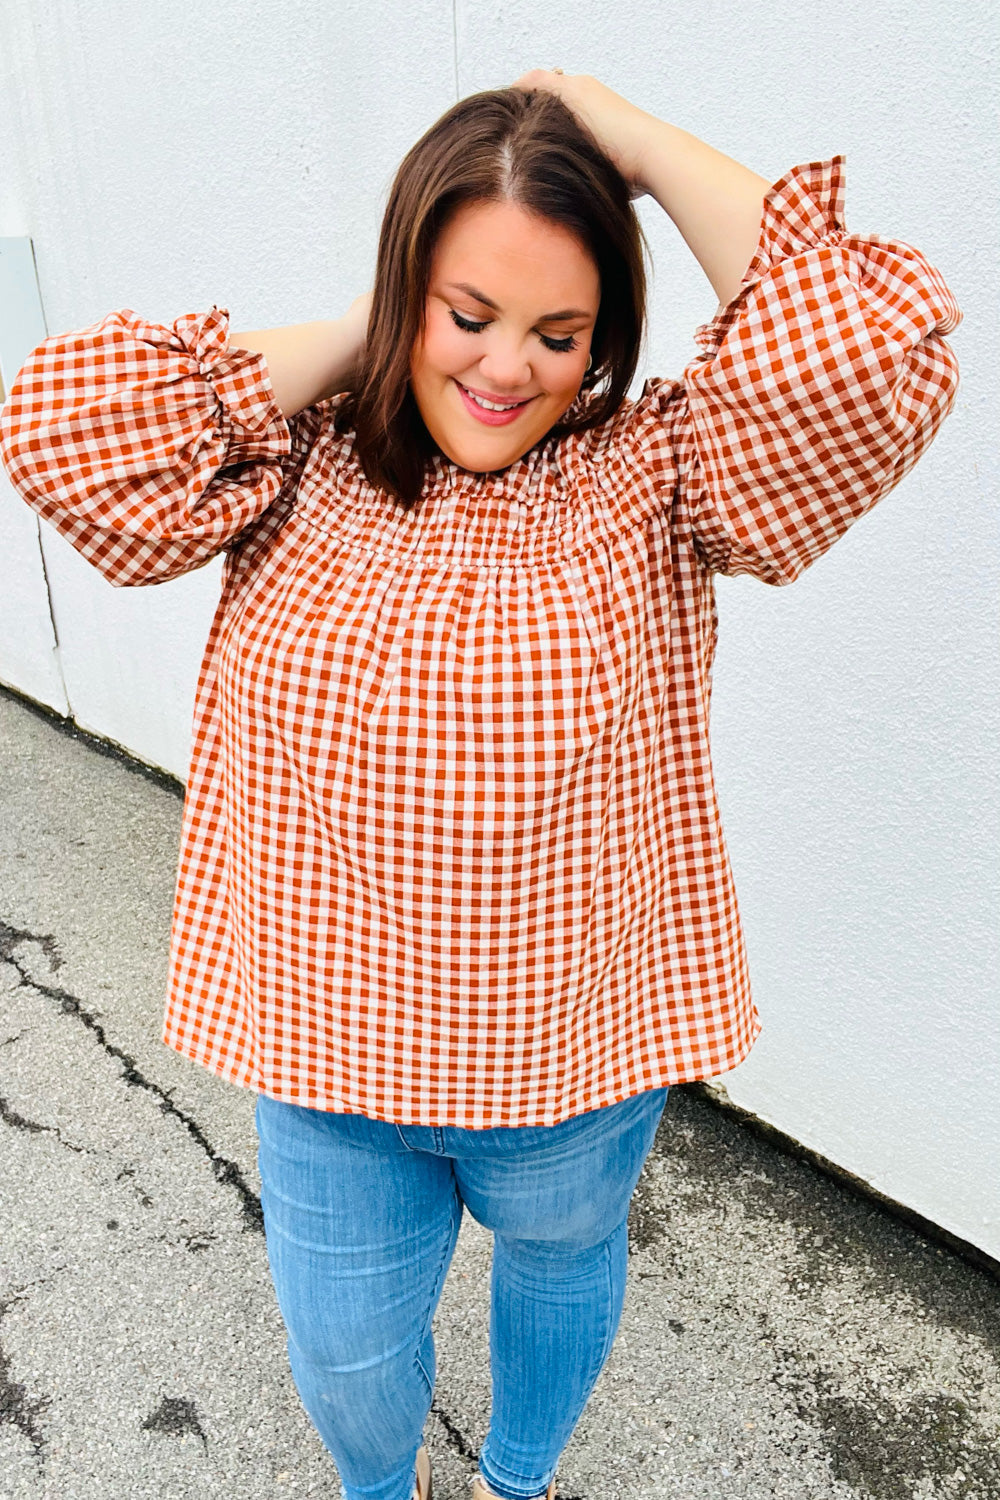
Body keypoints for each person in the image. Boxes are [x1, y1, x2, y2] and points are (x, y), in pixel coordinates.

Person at [0, 69, 959, 1500]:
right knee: (345, 1355)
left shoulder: (661, 475)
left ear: (604, 341)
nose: (510, 368)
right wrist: (373, 336)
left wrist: (621, 134)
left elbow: (873, 345)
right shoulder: (299, 462)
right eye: (469, 313)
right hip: (331, 1061)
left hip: (575, 1053)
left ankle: (517, 1482)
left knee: (564, 1268)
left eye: (559, 332)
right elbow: (62, 427)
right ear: (407, 295)